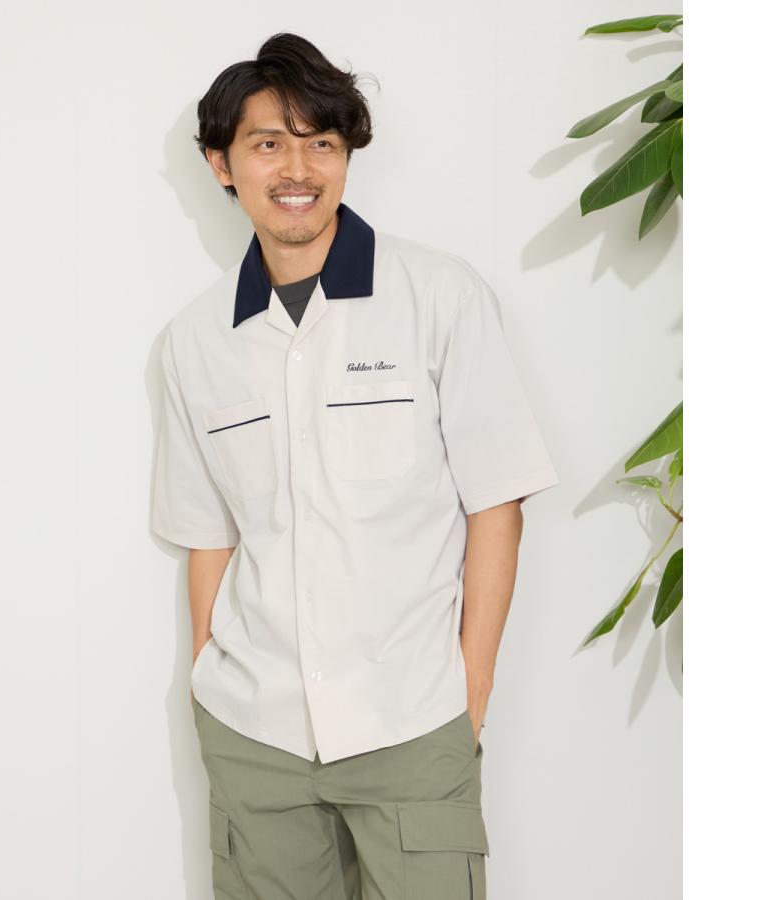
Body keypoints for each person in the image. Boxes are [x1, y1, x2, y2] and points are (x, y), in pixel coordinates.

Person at [151, 31, 559, 900]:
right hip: (254, 737)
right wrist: (207, 684)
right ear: (221, 164)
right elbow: (208, 536)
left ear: (345, 157)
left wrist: (469, 694)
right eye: (269, 144)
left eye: (323, 143)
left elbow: (497, 505)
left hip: (413, 725)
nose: (299, 169)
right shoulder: (194, 341)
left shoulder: (440, 298)